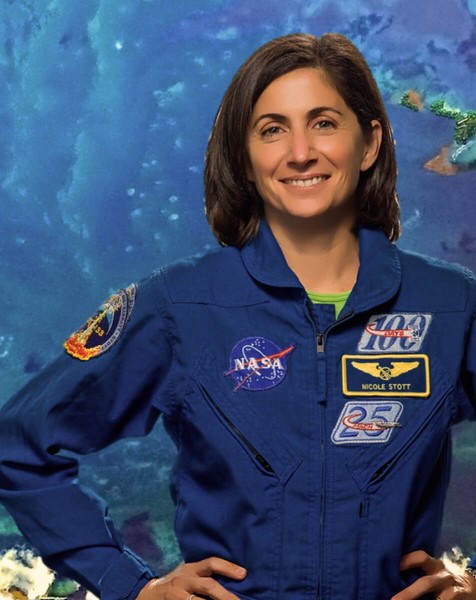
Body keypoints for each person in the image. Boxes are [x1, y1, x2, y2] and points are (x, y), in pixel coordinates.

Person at [0, 32, 475, 600]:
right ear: (245, 159)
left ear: (369, 143)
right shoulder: (180, 306)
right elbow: (17, 444)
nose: (300, 152)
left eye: (324, 123)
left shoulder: (451, 304)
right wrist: (130, 586)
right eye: (272, 130)